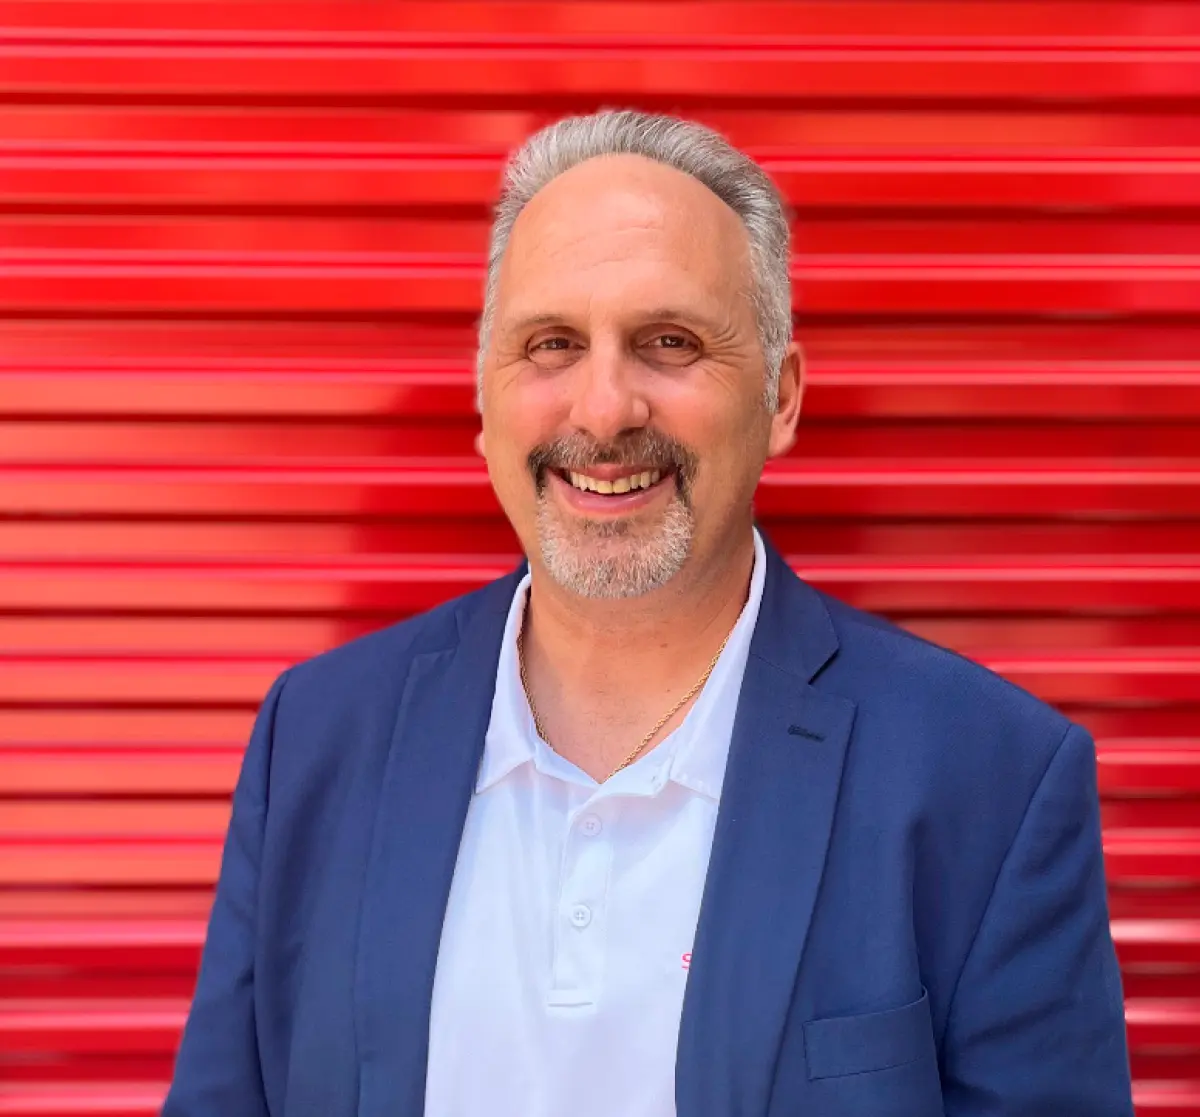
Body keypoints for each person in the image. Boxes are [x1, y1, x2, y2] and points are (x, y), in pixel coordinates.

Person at [163, 110, 1134, 1117]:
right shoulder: (318, 737)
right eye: (552, 343)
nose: (603, 408)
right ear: (485, 399)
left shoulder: (990, 779)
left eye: (669, 342)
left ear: (782, 395)